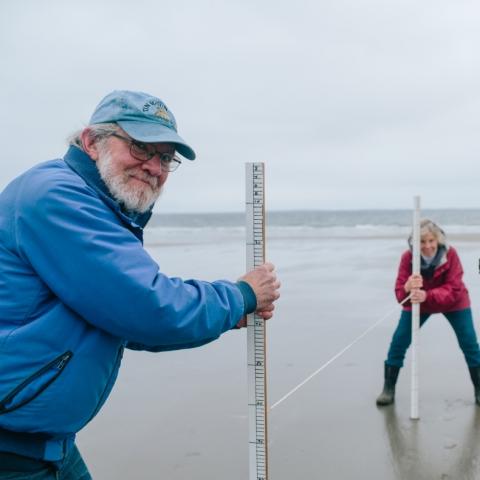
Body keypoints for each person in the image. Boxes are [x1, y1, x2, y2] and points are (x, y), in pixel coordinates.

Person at [0, 90, 281, 479]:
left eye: (166, 157)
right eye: (140, 147)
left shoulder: (99, 203)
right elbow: (148, 307)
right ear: (90, 142)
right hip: (13, 451)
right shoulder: (57, 196)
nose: (154, 166)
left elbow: (115, 315)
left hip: (47, 444)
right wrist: (241, 295)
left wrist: (231, 316)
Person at [376, 218, 480, 407]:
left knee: (469, 343)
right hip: (419, 302)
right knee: (399, 341)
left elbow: (454, 289)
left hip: (454, 302)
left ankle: (479, 390)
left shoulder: (451, 254)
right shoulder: (408, 258)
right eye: (422, 242)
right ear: (415, 243)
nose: (427, 246)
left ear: (438, 240)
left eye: (431, 241)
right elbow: (400, 294)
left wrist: (427, 295)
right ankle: (388, 389)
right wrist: (407, 287)